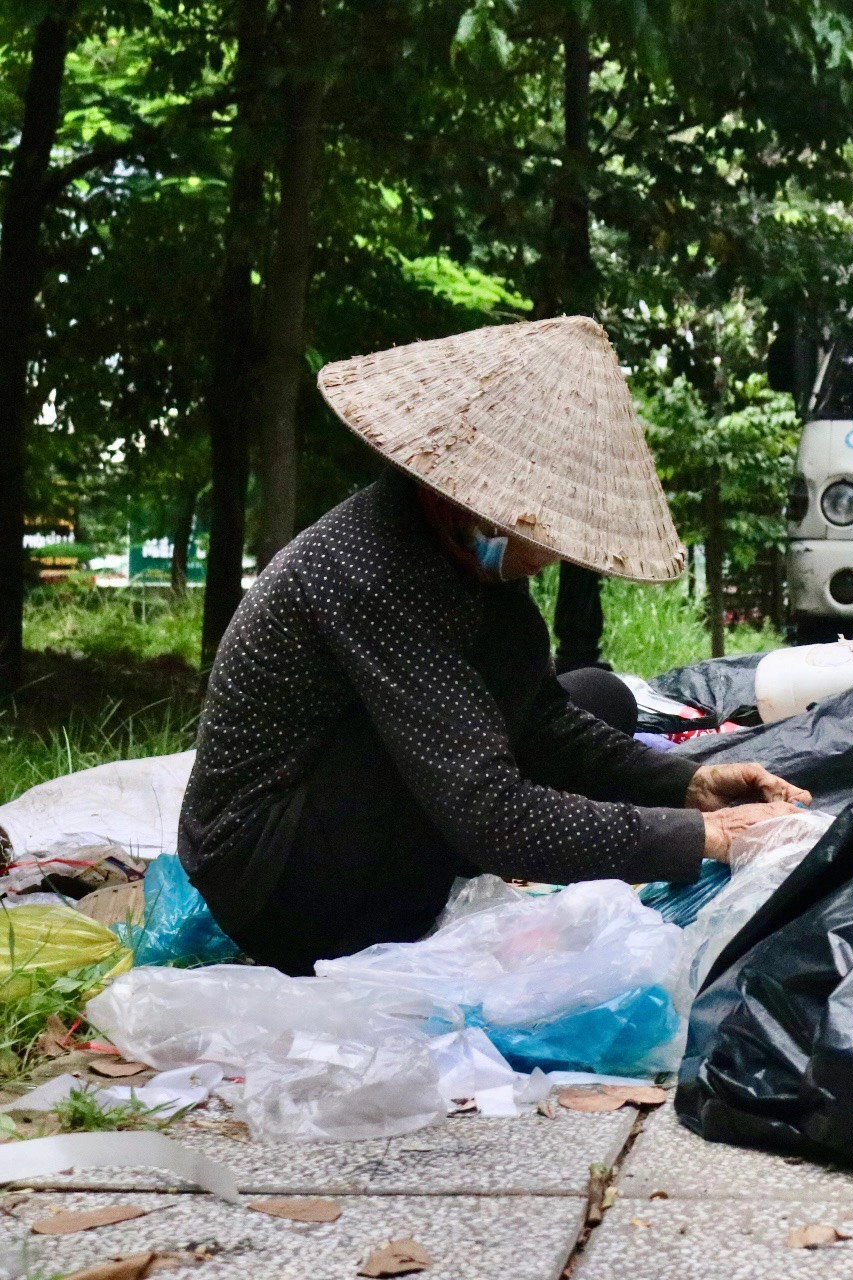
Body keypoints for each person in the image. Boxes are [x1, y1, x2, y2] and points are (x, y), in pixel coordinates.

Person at [178, 316, 810, 974]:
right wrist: (700, 838)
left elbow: (538, 719)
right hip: (272, 879)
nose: (549, 556)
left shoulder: (471, 562)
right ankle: (381, 919)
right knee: (466, 770)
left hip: (351, 829)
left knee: (599, 696)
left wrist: (690, 787)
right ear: (473, 503)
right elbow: (491, 812)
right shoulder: (375, 575)